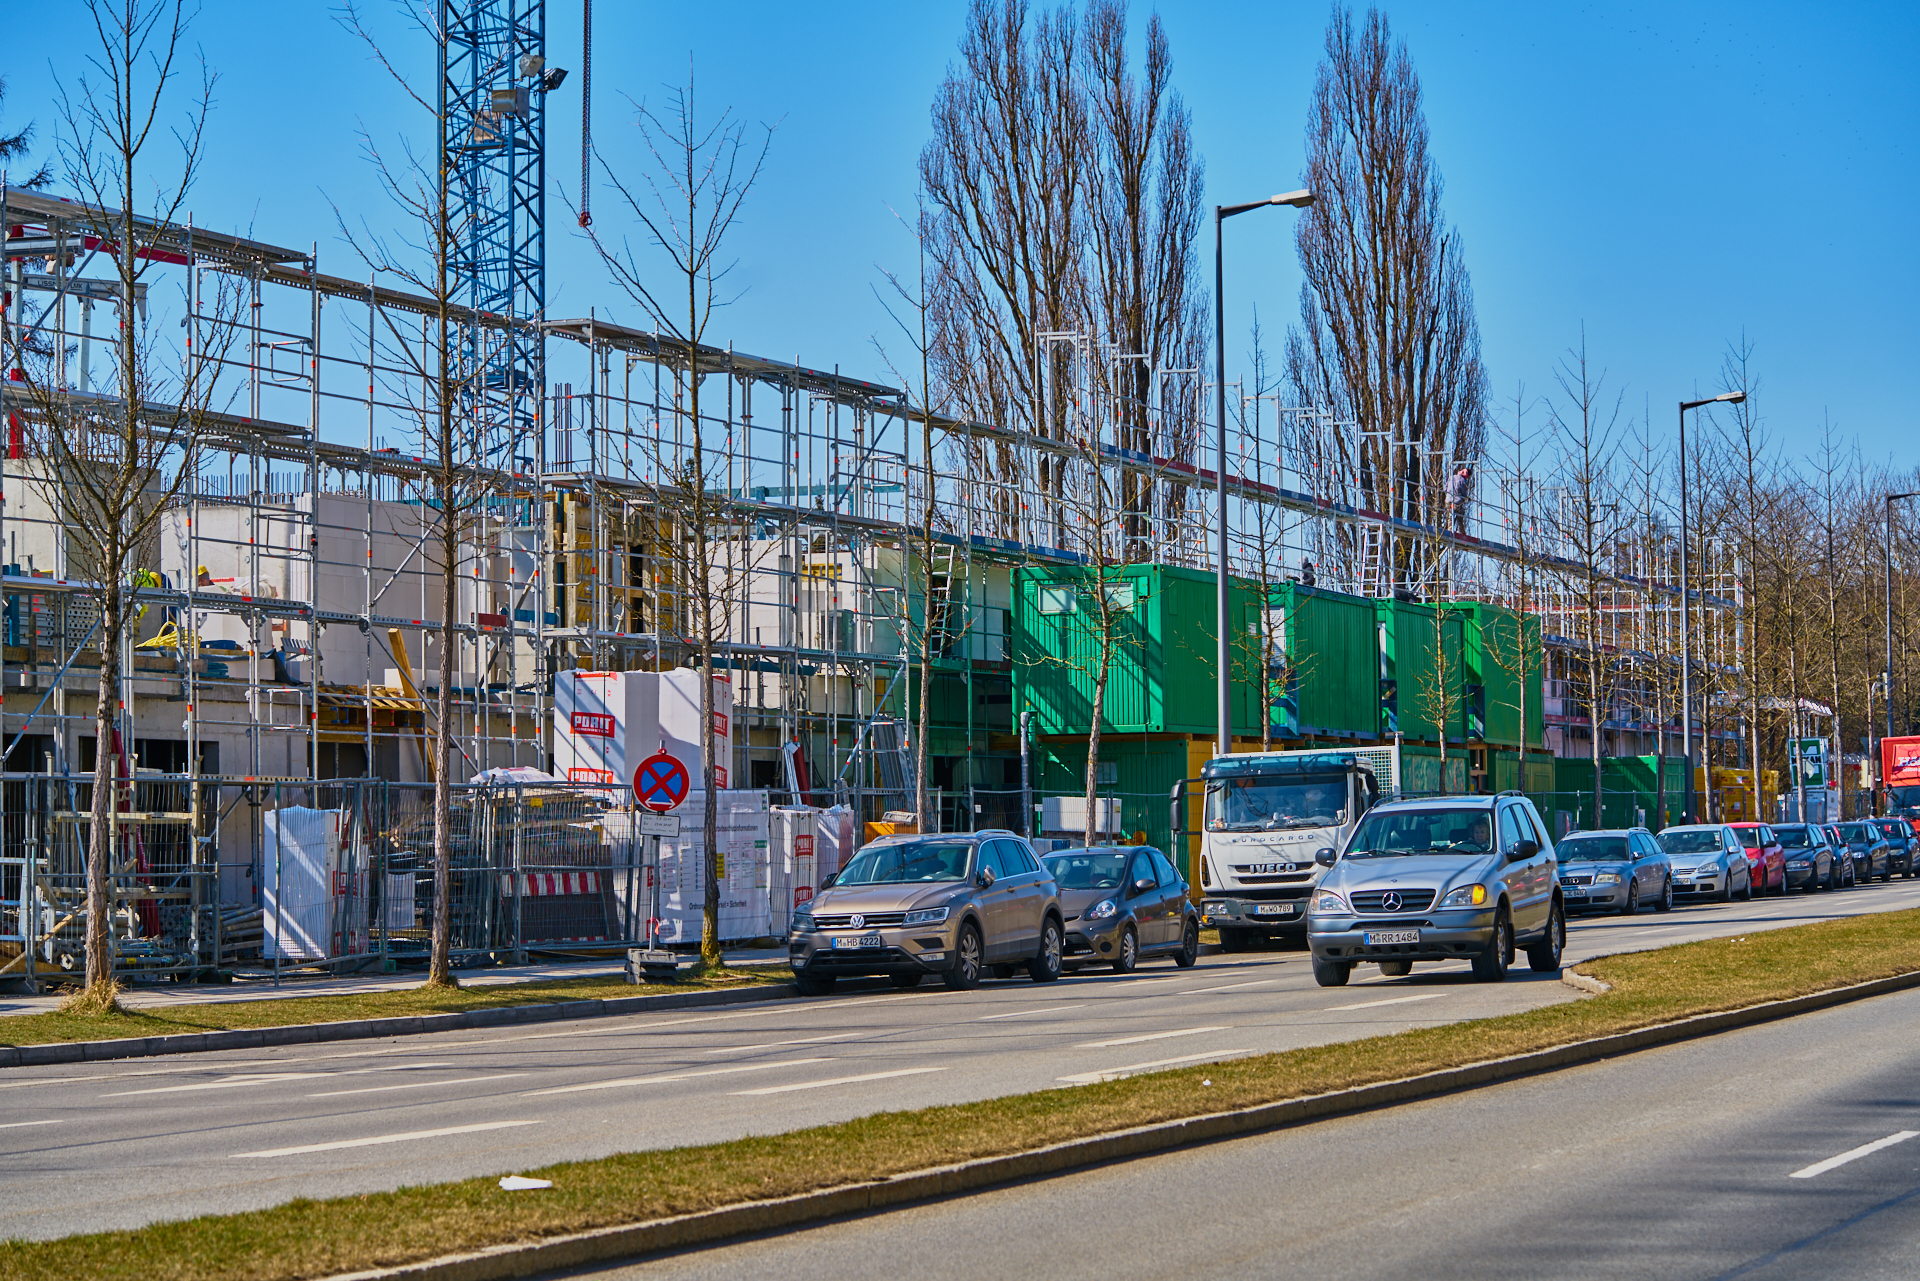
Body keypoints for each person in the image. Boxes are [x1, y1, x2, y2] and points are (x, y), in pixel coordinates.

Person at [1446, 464, 1473, 533]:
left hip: (1448, 500)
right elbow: (1463, 492)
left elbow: (1446, 487)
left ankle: (1450, 530)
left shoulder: (1451, 477)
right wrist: (1466, 498)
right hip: (1457, 501)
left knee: (1450, 517)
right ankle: (1462, 531)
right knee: (1459, 517)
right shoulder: (1463, 481)